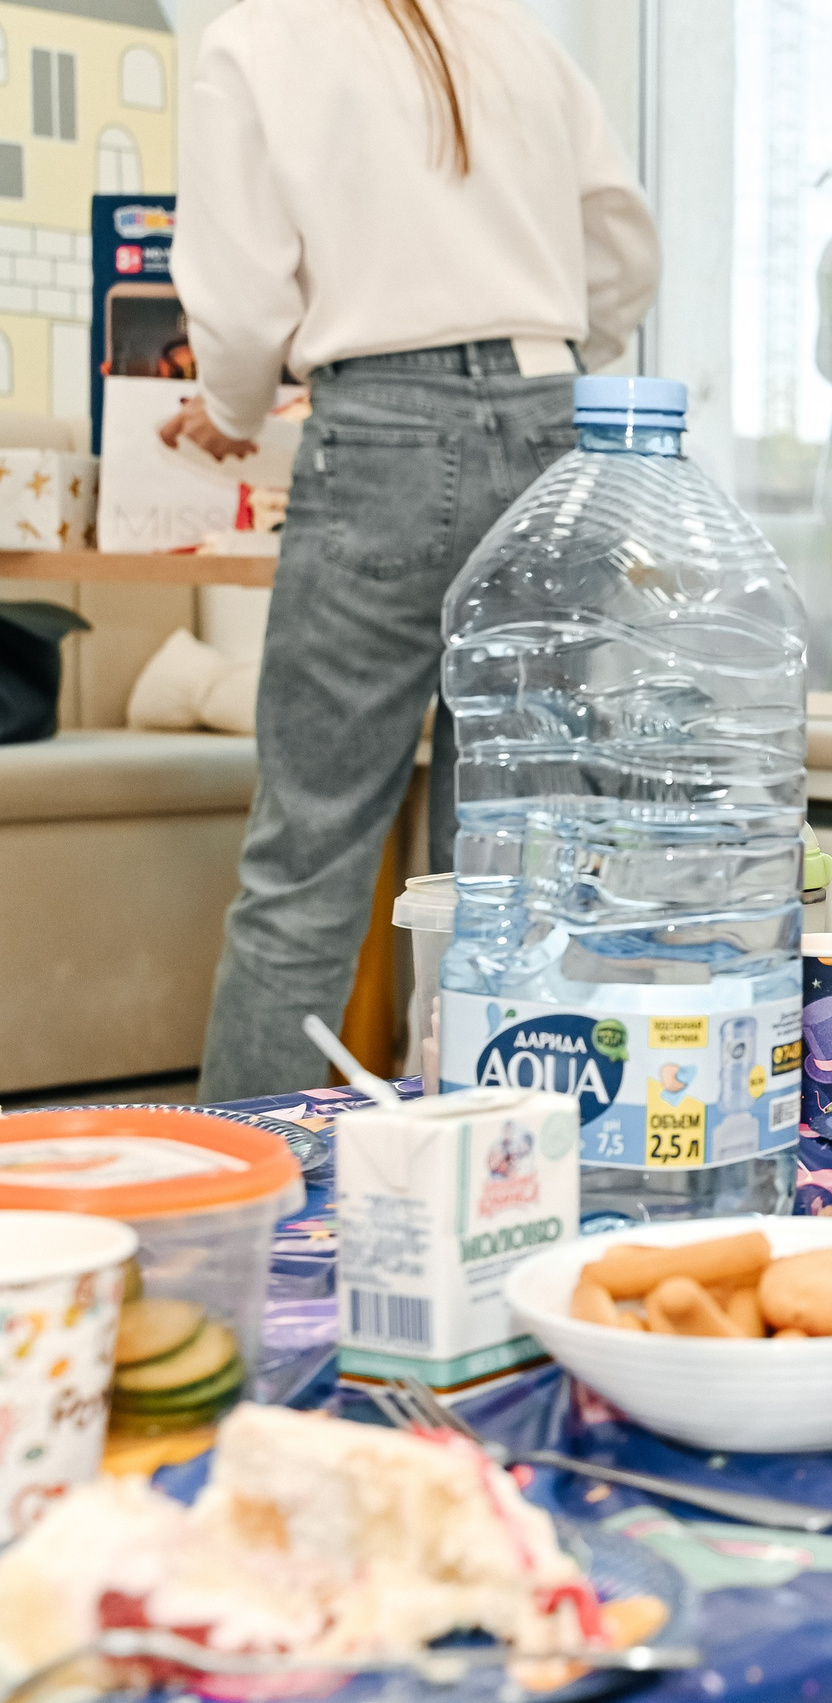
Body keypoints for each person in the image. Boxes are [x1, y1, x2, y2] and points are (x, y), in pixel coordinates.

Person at [169, 0, 659, 1101]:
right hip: (553, 423)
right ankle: (507, 1156)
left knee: (307, 860)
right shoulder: (518, 40)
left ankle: (258, 1176)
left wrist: (236, 407)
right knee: (518, 866)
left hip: (379, 427)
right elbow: (624, 248)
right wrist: (559, 360)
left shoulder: (257, 38)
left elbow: (240, 303)